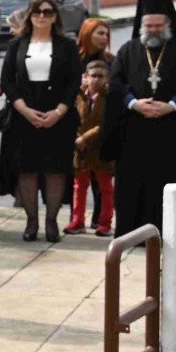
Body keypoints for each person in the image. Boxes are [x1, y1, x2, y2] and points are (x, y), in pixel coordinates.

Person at [103, 0, 176, 237]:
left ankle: (167, 235)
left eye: (159, 26)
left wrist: (173, 105)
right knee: (131, 187)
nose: (154, 30)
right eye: (149, 26)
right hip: (134, 132)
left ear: (167, 25)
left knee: (167, 186)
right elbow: (115, 85)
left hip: (171, 133)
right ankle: (130, 235)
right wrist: (134, 103)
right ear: (142, 25)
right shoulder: (128, 50)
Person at [0, 0, 81, 243]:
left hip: (58, 116)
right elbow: (7, 81)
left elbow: (74, 81)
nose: (42, 16)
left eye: (47, 12)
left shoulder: (66, 45)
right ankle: (31, 221)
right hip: (24, 115)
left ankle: (51, 222)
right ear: (30, 16)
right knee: (27, 170)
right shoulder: (17, 44)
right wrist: (24, 110)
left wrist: (58, 112)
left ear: (55, 16)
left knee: (55, 170)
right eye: (37, 12)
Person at [72, 59, 115, 236]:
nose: (96, 80)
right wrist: (76, 138)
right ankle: (77, 220)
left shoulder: (109, 97)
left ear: (107, 79)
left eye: (100, 76)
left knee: (105, 187)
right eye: (93, 76)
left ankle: (104, 222)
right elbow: (72, 118)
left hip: (100, 147)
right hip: (80, 150)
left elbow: (106, 123)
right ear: (86, 77)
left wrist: (85, 138)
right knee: (79, 186)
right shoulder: (78, 96)